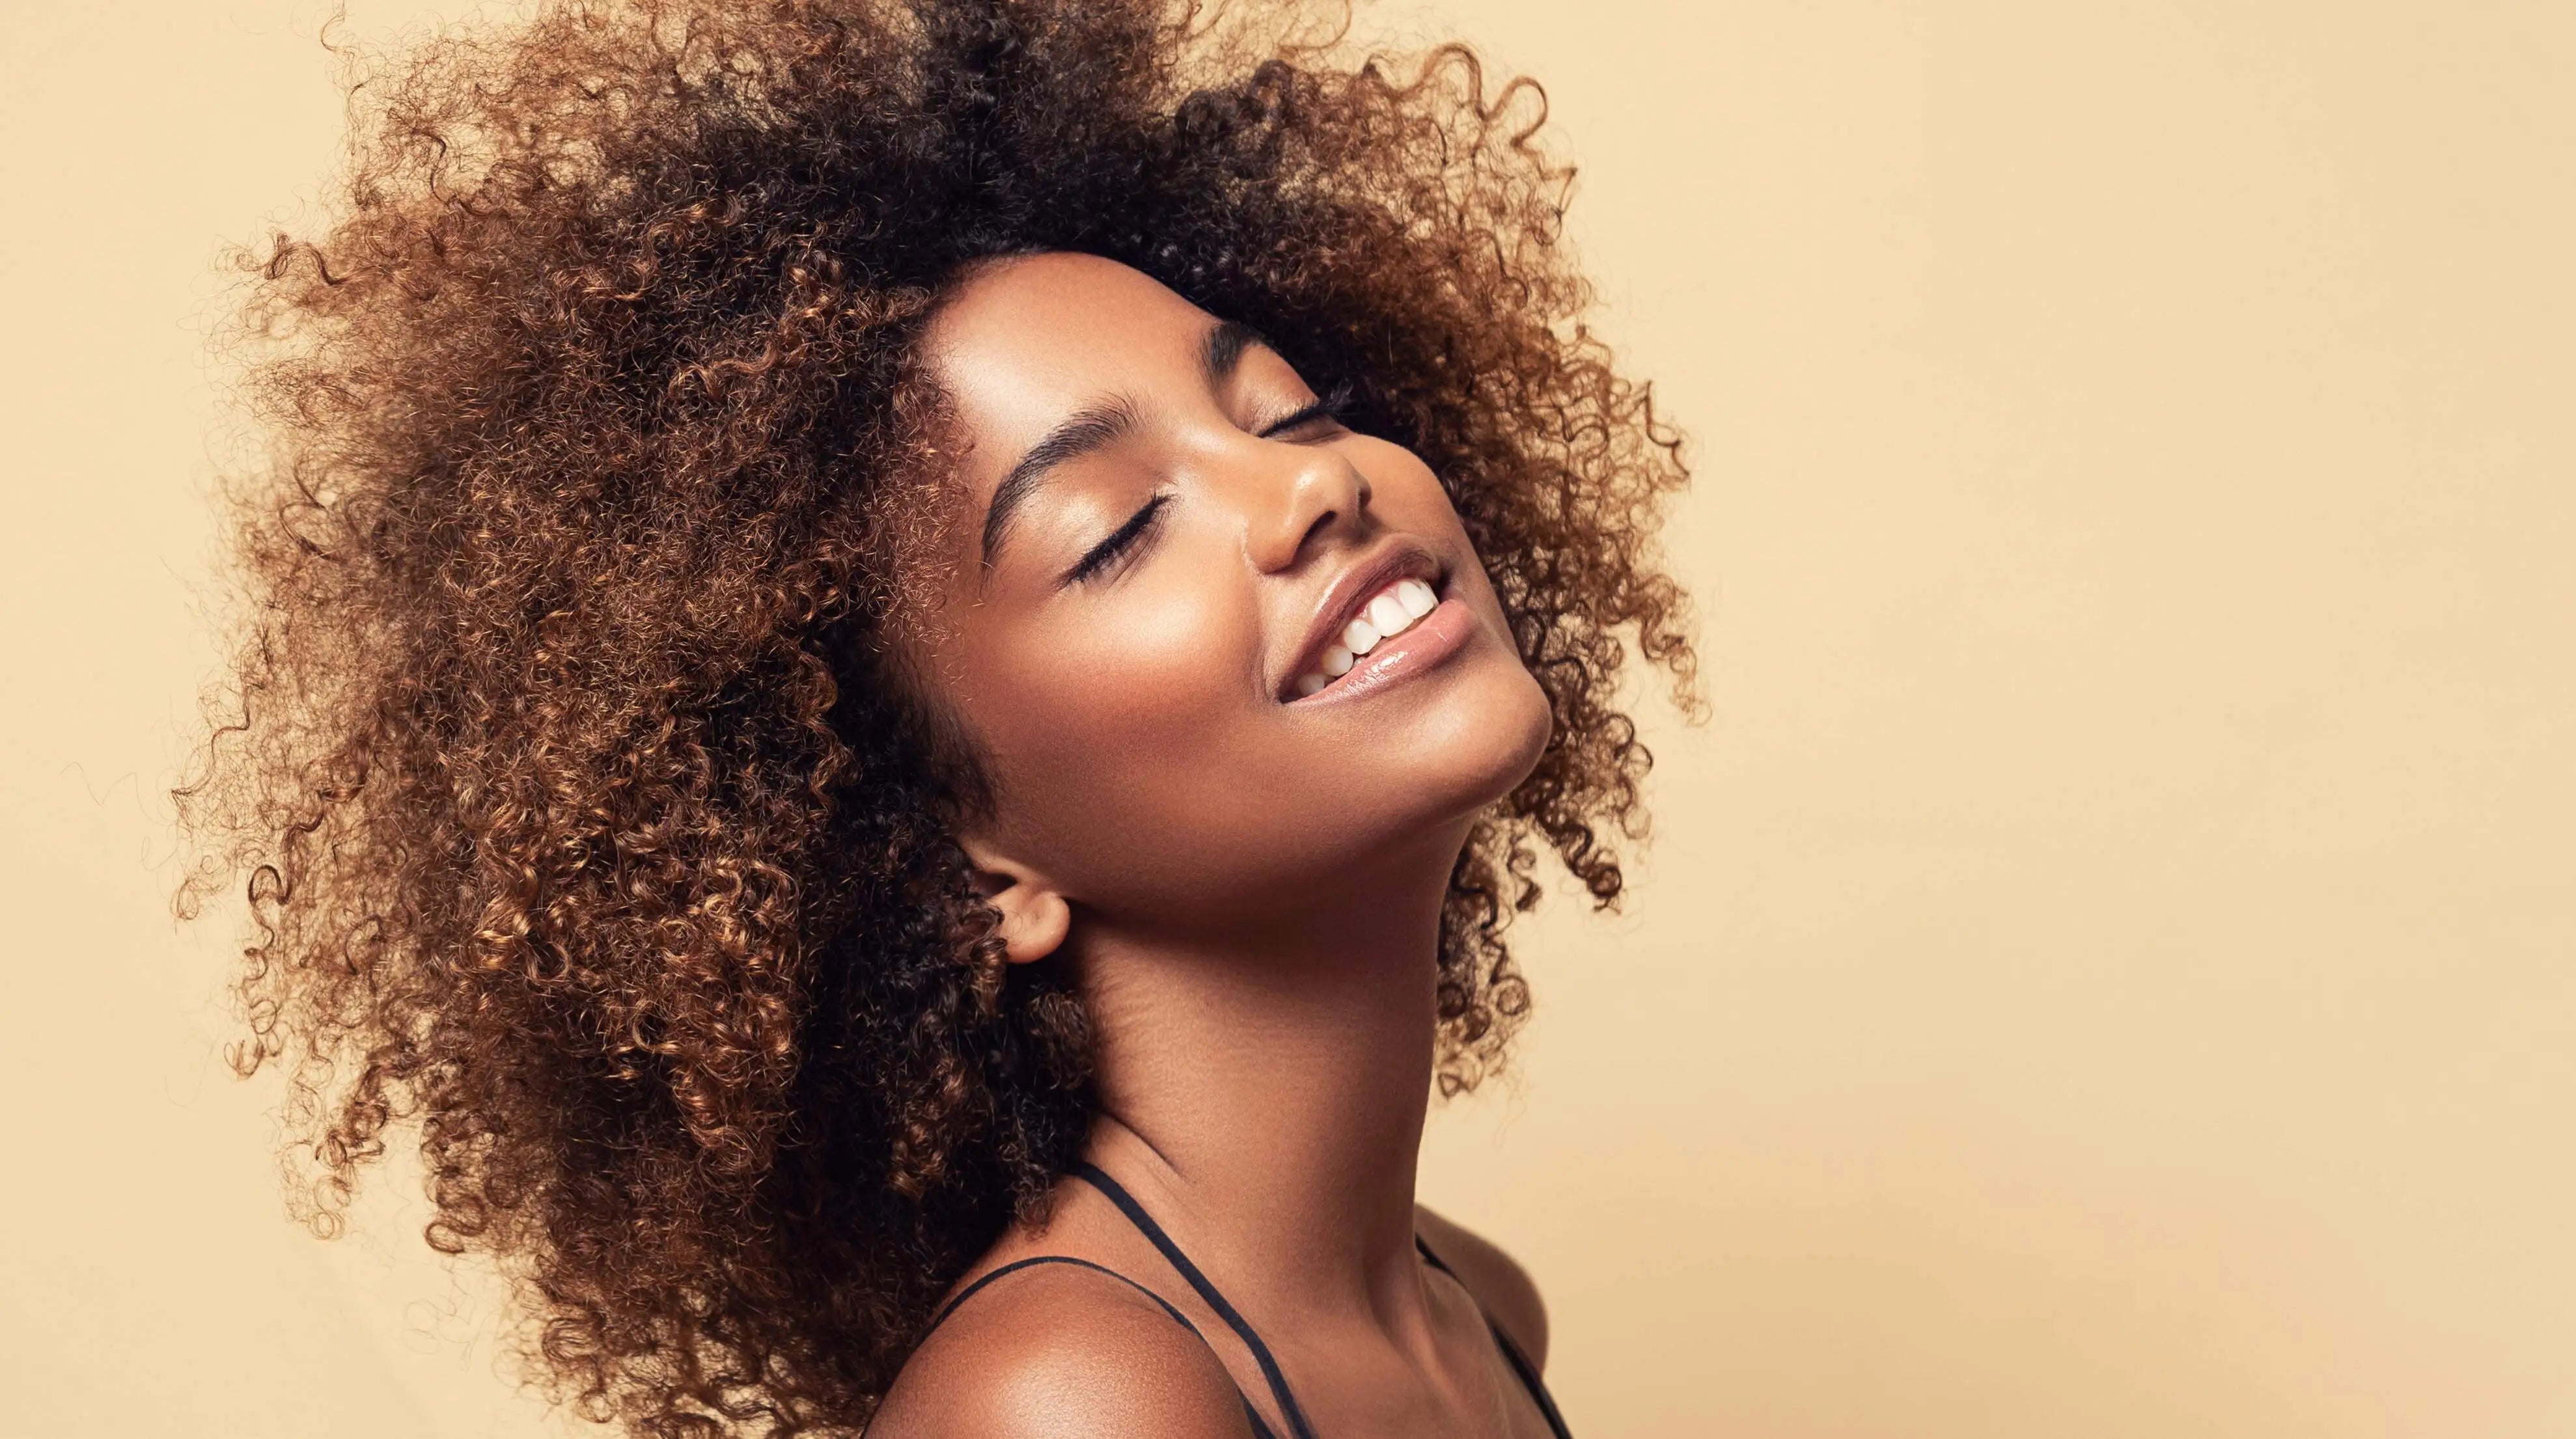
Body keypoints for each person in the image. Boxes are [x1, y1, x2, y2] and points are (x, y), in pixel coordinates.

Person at [184, 1, 1691, 1434]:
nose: (1315, 482)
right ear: (971, 866)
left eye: (1283, 408)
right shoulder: (1070, 1400)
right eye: (1112, 532)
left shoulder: (1475, 1312)